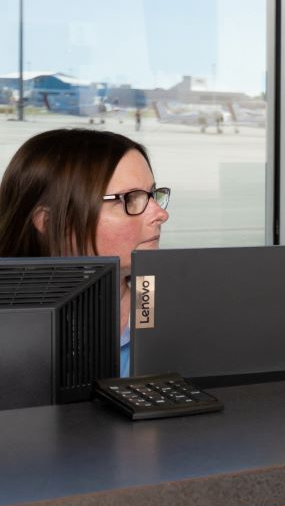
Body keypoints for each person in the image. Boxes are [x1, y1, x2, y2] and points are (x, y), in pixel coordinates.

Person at [0, 128, 172, 374]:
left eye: (152, 195)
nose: (161, 215)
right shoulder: (13, 335)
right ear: (49, 223)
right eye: (129, 199)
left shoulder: (178, 307)